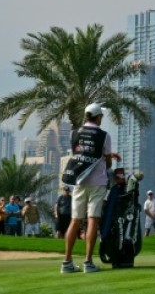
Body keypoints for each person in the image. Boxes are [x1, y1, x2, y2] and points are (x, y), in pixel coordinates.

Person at [61, 103, 115, 274]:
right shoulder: (104, 135)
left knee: (75, 220)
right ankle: (88, 262)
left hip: (79, 181)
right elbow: (106, 160)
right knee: (93, 220)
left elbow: (81, 154)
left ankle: (67, 262)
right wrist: (109, 162)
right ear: (98, 117)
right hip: (97, 182)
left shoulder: (74, 133)